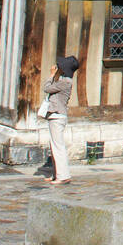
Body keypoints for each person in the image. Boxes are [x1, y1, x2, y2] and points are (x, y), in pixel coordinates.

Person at [42, 55, 79, 185]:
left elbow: (47, 88)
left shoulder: (65, 82)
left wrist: (51, 75)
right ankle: (56, 174)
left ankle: (63, 176)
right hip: (55, 115)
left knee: (58, 146)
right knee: (54, 146)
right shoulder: (63, 80)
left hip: (57, 115)